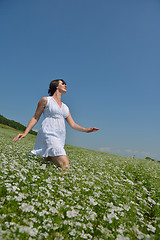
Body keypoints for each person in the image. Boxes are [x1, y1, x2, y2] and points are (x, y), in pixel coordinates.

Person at [13, 79, 99, 170]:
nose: (66, 86)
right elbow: (35, 117)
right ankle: (63, 183)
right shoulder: (46, 100)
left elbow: (73, 124)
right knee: (65, 165)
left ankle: (29, 172)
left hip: (60, 137)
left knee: (46, 164)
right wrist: (25, 133)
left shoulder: (65, 107)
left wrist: (86, 130)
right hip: (48, 133)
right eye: (63, 84)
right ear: (56, 86)